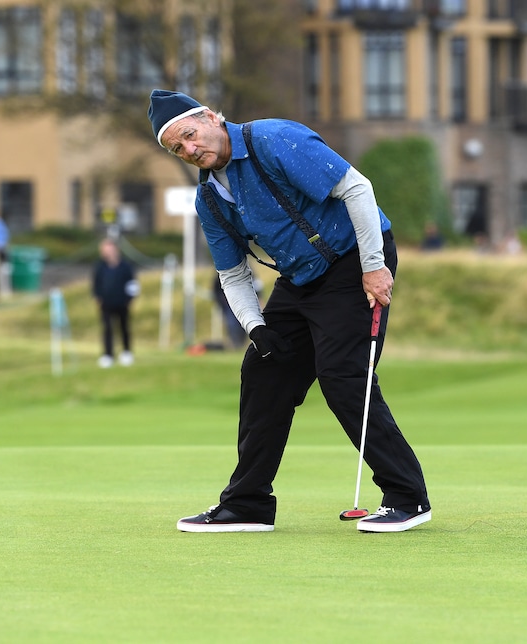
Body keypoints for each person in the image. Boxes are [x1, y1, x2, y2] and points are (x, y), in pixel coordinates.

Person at [148, 89, 430, 533]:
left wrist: (374, 267)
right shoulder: (209, 200)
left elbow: (357, 188)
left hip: (353, 258)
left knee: (342, 374)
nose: (189, 149)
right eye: (176, 148)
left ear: (208, 117)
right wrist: (255, 327)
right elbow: (234, 275)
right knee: (263, 371)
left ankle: (407, 496)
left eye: (188, 135)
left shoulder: (273, 139)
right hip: (300, 278)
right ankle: (248, 503)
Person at [91, 238, 138, 368]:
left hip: (123, 302)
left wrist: (131, 298)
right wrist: (97, 297)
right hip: (106, 303)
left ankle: (126, 352)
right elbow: (96, 283)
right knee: (107, 329)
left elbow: (132, 283)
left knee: (124, 327)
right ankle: (108, 355)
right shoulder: (100, 266)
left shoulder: (125, 266)